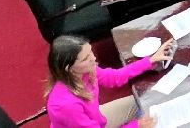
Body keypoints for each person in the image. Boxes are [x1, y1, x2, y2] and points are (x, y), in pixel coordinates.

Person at [45, 34, 174, 128]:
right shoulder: (65, 106)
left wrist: (150, 60)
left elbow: (114, 77)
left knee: (143, 100)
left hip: (97, 120)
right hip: (91, 124)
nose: (93, 58)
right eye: (85, 58)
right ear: (69, 68)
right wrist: (136, 126)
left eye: (90, 52)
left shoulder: (85, 71)